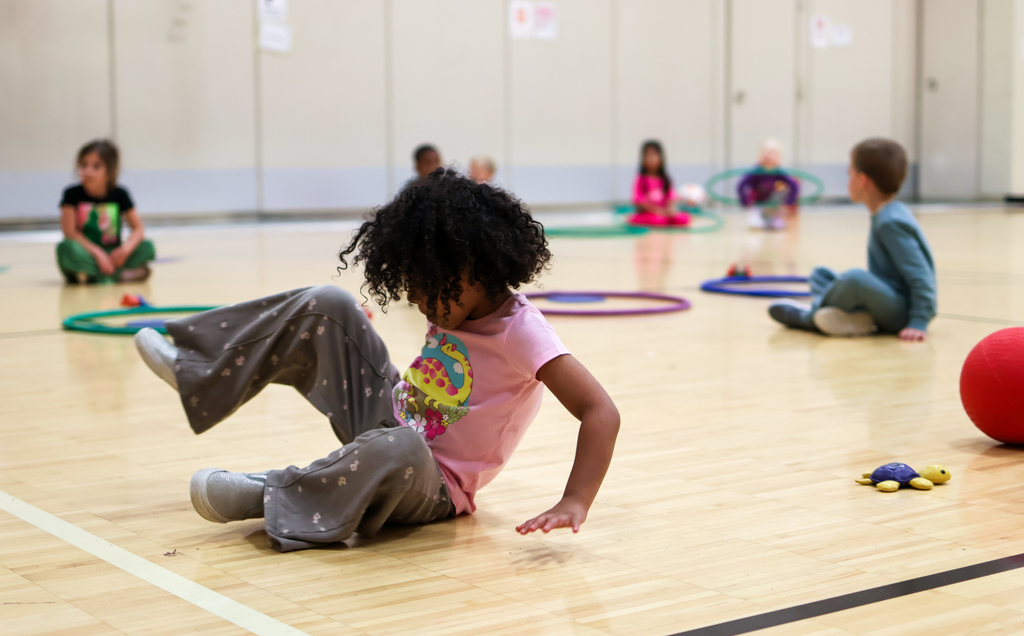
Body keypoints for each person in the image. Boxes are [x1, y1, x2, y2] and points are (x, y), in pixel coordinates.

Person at [133, 169, 619, 552]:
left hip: (432, 482)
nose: (420, 304)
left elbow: (601, 412)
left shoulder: (522, 332)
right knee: (330, 304)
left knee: (403, 446)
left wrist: (575, 499)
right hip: (387, 421)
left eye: (426, 290)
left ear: (473, 270)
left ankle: (268, 493)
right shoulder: (456, 301)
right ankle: (199, 372)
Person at [768, 138, 935, 341]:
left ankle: (809, 317)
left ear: (863, 180)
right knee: (820, 275)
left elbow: (921, 275)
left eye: (850, 174)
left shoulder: (890, 222)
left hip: (901, 315)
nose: (848, 180)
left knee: (855, 279)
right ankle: (854, 318)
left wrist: (918, 320)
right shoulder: (886, 214)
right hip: (888, 301)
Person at [57, 140, 155, 283]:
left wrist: (125, 250)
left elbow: (138, 228)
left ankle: (92, 276)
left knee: (147, 247)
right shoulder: (72, 194)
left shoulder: (119, 194)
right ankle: (118, 276)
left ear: (109, 171)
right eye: (84, 165)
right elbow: (69, 232)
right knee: (66, 248)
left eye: (96, 167)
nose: (88, 171)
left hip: (113, 255)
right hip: (87, 253)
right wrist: (97, 253)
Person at [738, 139, 799, 230]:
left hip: (773, 204)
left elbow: (794, 185)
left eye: (773, 153)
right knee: (755, 223)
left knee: (783, 190)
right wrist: (745, 201)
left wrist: (789, 201)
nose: (769, 156)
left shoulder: (779, 172)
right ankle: (756, 217)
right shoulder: (755, 171)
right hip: (757, 203)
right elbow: (741, 185)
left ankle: (774, 218)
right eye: (767, 153)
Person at [628, 140, 690, 227]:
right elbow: (638, 200)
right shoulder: (641, 179)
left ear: (661, 158)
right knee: (658, 220)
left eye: (654, 154)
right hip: (649, 214)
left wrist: (669, 210)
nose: (652, 158)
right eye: (648, 155)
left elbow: (671, 197)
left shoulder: (666, 179)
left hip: (664, 213)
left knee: (683, 219)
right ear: (643, 160)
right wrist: (656, 211)